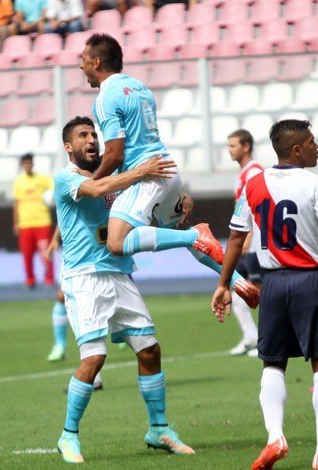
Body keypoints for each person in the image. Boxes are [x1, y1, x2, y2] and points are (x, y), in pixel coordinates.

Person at [78, 33, 260, 309]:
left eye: (83, 60)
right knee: (180, 235)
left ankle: (194, 235)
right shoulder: (139, 88)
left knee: (116, 242)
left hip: (148, 176)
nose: (81, 67)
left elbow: (115, 155)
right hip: (167, 170)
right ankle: (236, 281)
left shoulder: (105, 97)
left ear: (96, 61)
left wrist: (93, 181)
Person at [212, 120, 318, 470]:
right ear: (295, 150)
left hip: (272, 284)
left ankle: (275, 437)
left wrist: (223, 284)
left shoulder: (254, 185)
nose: (316, 147)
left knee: (273, 363)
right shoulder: (313, 183)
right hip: (312, 281)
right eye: (310, 142)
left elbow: (233, 238)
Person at [53, 115, 194, 463]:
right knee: (95, 358)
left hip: (119, 274)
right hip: (85, 278)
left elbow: (147, 214)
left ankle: (158, 428)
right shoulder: (66, 179)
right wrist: (142, 172)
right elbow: (98, 190)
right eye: (83, 135)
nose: (91, 140)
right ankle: (68, 435)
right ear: (68, 147)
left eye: (94, 134)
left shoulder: (118, 182)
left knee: (149, 349)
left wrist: (179, 206)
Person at [44, 228, 103, 390]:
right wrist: (55, 238)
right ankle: (61, 346)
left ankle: (93, 377)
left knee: (90, 311)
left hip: (95, 254)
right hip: (77, 253)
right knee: (69, 301)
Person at [227, 129, 263, 357]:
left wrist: (249, 237)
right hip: (245, 242)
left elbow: (258, 207)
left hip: (255, 242)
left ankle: (266, 339)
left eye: (233, 145)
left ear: (246, 146)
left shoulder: (255, 172)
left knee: (259, 293)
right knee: (235, 288)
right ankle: (251, 336)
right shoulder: (243, 173)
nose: (229, 150)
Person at [12, 153, 55, 288]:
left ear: (32, 164)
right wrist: (15, 223)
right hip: (25, 224)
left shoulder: (42, 179)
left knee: (45, 252)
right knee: (27, 254)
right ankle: (30, 279)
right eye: (25, 163)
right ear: (22, 165)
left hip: (42, 222)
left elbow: (55, 189)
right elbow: (17, 203)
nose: (28, 165)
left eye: (29, 163)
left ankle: (49, 277)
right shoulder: (19, 181)